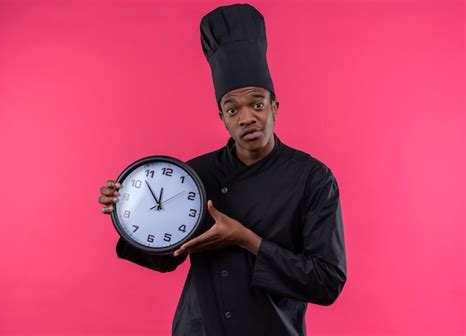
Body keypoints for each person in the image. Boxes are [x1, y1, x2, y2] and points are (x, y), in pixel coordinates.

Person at [98, 4, 347, 336]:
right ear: (222, 116)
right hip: (199, 328)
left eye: (257, 104)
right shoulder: (196, 174)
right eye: (233, 109)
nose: (246, 118)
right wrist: (127, 212)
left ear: (274, 107)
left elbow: (326, 282)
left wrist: (247, 240)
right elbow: (166, 256)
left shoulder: (312, 178)